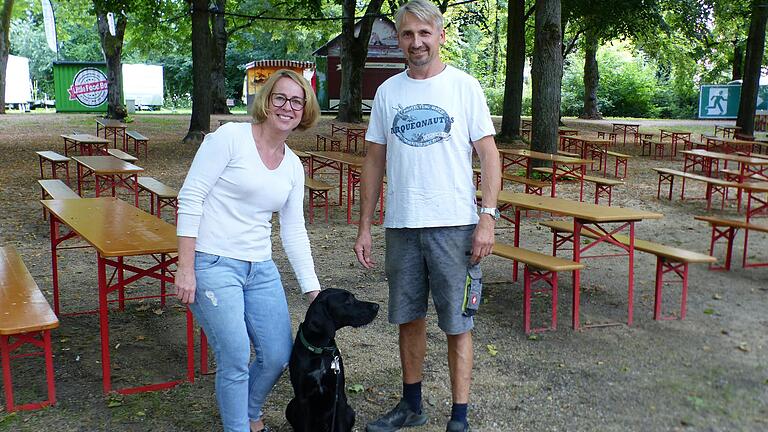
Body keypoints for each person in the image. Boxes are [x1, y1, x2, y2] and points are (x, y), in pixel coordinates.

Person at [353, 1, 501, 431]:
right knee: (408, 318)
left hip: (455, 225)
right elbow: (374, 161)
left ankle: (459, 417)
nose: (416, 42)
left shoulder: (464, 87)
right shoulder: (388, 93)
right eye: (406, 34)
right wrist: (365, 226)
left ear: (439, 36)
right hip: (401, 225)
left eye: (423, 33)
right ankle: (411, 406)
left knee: (457, 323)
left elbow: (489, 155)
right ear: (398, 38)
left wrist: (486, 218)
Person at [174, 69, 322, 432]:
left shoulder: (292, 165)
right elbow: (191, 197)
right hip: (213, 263)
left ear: (305, 111)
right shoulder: (230, 138)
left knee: (276, 355)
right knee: (237, 356)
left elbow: (293, 229)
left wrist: (313, 289)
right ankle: (238, 426)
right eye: (280, 98)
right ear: (266, 100)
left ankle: (249, 412)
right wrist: (186, 267)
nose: (288, 107)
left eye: (297, 102)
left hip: (260, 267)